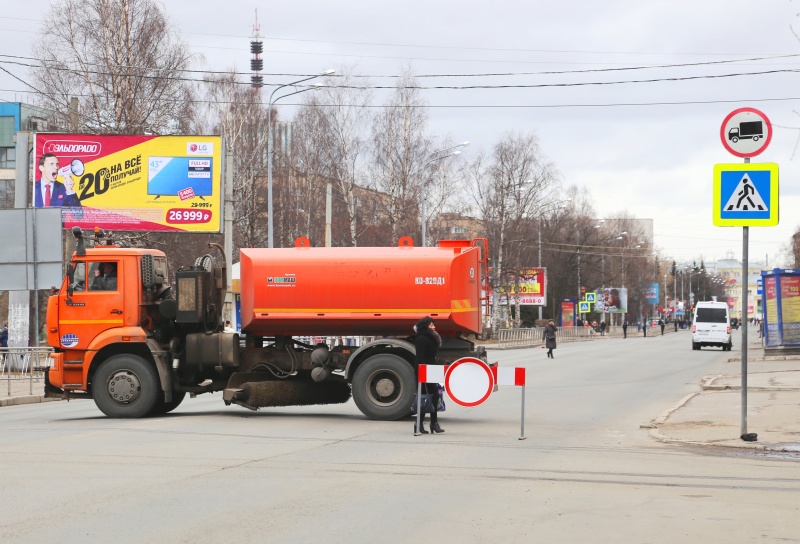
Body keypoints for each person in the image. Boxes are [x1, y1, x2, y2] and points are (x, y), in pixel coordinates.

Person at [413, 316, 444, 434]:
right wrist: (423, 373)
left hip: (430, 369)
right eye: (431, 325)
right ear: (425, 326)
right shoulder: (421, 338)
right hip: (423, 370)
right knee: (425, 397)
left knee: (431, 396)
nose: (434, 327)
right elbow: (421, 357)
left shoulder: (431, 337)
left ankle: (429, 424)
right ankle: (425, 424)